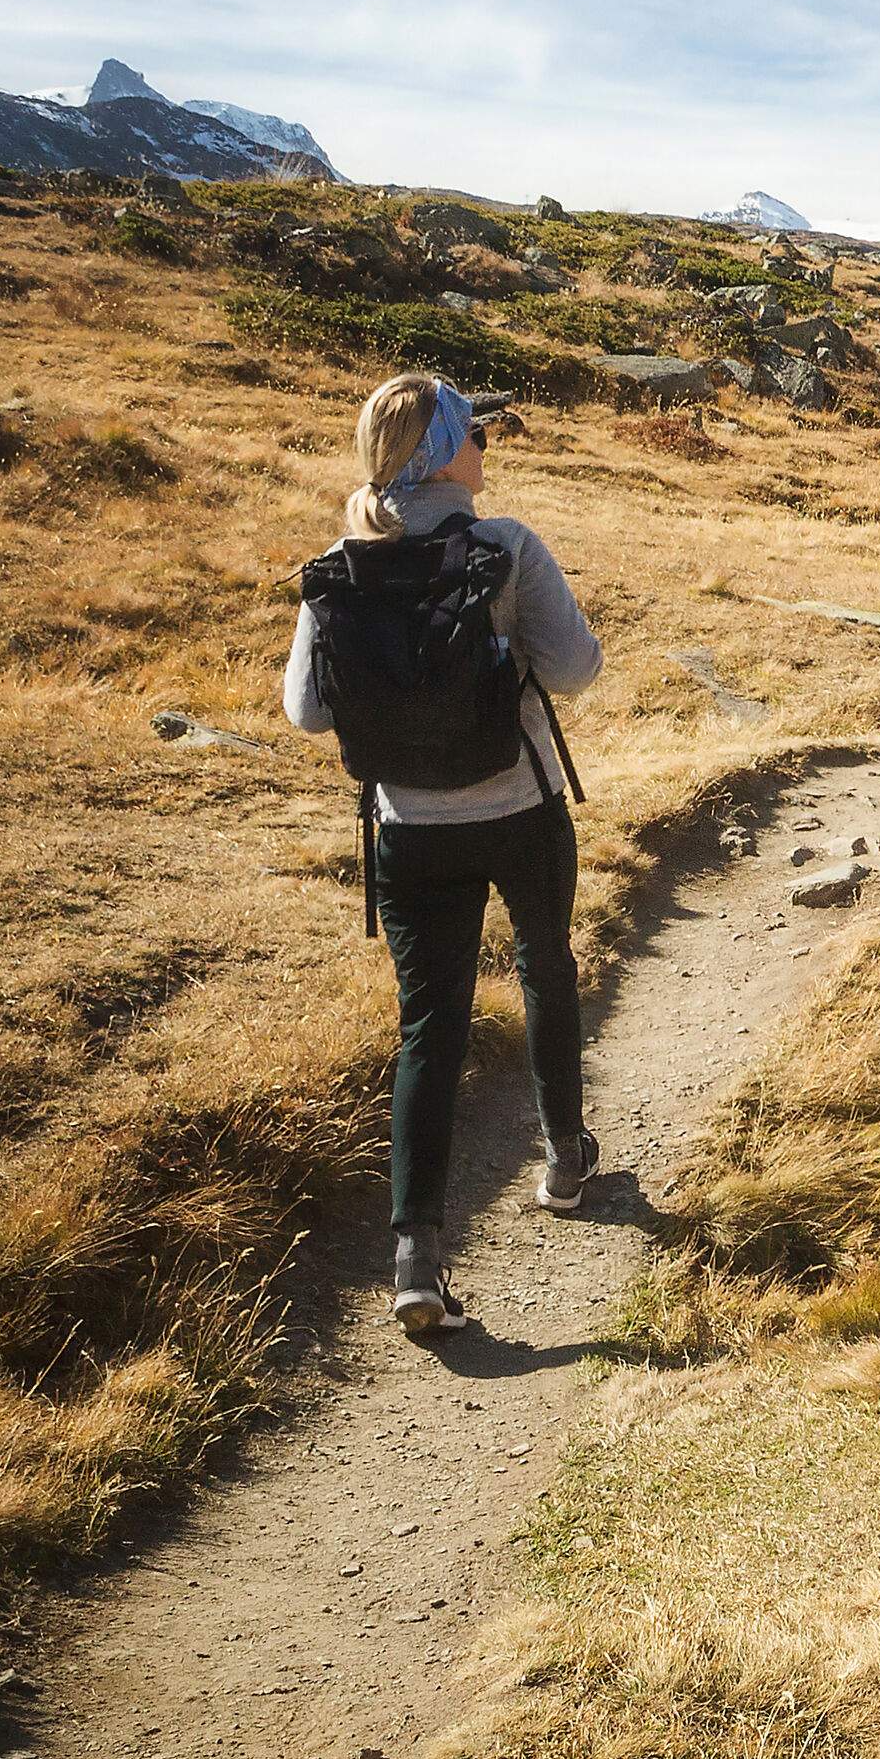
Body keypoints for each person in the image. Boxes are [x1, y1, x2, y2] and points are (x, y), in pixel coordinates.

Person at [282, 374, 605, 1336]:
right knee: (546, 965)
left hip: (408, 832)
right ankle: (561, 1158)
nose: (485, 444)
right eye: (473, 431)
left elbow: (306, 711)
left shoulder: (344, 559)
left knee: (431, 1027)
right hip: (521, 809)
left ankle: (417, 1257)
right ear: (447, 450)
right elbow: (578, 671)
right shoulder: (504, 547)